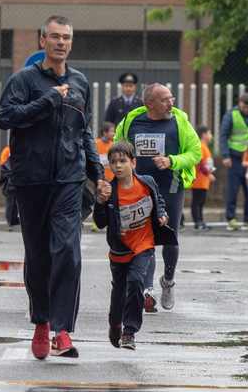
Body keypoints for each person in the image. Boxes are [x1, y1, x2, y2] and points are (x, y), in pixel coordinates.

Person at [0, 15, 106, 360]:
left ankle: (62, 329)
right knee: (40, 256)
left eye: (67, 38)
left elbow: (84, 130)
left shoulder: (80, 82)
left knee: (68, 252)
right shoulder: (24, 80)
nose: (61, 42)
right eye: (55, 37)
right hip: (31, 180)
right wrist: (47, 101)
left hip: (69, 181)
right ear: (42, 40)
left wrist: (98, 172)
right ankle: (41, 322)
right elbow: (5, 116)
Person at [114, 82, 201, 313]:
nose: (171, 102)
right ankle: (147, 289)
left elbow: (195, 152)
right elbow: (118, 147)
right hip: (141, 188)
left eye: (171, 98)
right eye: (165, 99)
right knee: (146, 236)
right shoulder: (131, 121)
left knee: (169, 237)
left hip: (170, 185)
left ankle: (168, 281)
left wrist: (171, 161)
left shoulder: (179, 121)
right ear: (149, 103)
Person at [93, 142, 176, 350]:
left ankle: (130, 332)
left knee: (137, 281)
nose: (118, 166)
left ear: (133, 162)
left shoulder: (147, 183)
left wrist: (162, 215)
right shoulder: (110, 192)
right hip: (120, 250)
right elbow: (100, 222)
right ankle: (115, 324)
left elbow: (159, 201)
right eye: (113, 162)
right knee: (119, 292)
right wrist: (100, 202)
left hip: (144, 244)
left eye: (123, 161)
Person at [219, 93, 248, 231]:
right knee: (233, 189)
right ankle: (231, 218)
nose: (247, 109)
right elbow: (223, 135)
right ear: (239, 103)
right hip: (235, 157)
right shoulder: (231, 114)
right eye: (244, 106)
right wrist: (225, 155)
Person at [190, 126, 216, 231]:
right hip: (199, 180)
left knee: (201, 202)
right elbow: (200, 162)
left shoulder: (205, 146)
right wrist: (208, 174)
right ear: (204, 134)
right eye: (210, 133)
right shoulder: (200, 146)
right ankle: (198, 222)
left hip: (204, 180)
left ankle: (200, 221)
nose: (211, 136)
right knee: (197, 202)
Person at [0, 145, 19, 231]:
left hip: (15, 181)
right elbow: (3, 164)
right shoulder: (7, 150)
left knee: (16, 204)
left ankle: (14, 220)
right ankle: (10, 221)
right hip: (10, 182)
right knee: (11, 203)